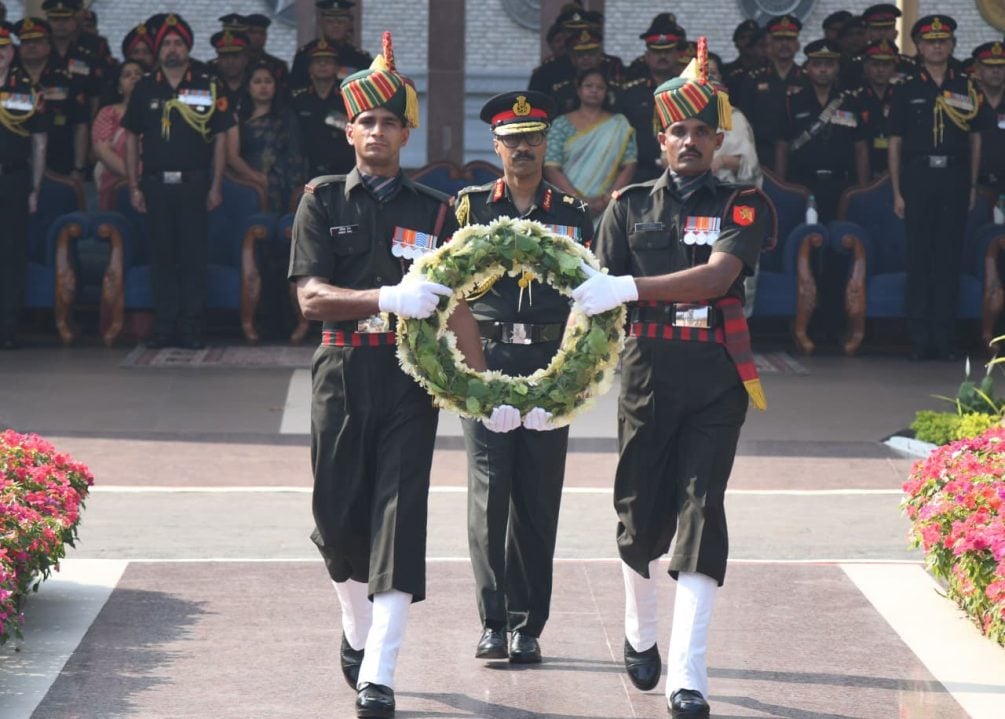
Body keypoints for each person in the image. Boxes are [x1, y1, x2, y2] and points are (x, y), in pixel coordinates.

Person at [287, 33, 488, 719]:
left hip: (410, 374)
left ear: (406, 133)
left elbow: (456, 302)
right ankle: (354, 622)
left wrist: (482, 386)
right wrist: (383, 298)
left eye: (389, 121)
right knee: (335, 521)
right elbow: (309, 297)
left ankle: (380, 670)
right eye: (365, 120)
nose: (377, 131)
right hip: (342, 368)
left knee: (399, 519)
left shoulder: (435, 209)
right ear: (350, 130)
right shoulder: (320, 199)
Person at [570, 39, 769, 719]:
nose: (688, 141)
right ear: (660, 140)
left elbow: (717, 278)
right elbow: (594, 303)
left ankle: (689, 674)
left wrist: (628, 284)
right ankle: (640, 628)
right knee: (636, 515)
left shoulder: (744, 204)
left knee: (700, 510)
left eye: (700, 131)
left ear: (718, 140)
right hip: (647, 376)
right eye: (676, 130)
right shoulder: (625, 208)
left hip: (716, 375)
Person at [453, 90, 593, 665]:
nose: (524, 149)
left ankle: (527, 625)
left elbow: (590, 301)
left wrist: (567, 376)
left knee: (537, 496)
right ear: (497, 146)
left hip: (548, 363)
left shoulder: (573, 213)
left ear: (544, 144)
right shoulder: (468, 208)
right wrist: (478, 380)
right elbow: (451, 293)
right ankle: (491, 620)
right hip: (485, 359)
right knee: (490, 492)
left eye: (533, 138)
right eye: (513, 140)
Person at [122, 13, 233, 350]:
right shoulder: (145, 87)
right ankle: (164, 327)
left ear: (188, 47)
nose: (172, 48)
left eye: (178, 43)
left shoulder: (208, 82)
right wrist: (134, 186)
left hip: (194, 185)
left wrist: (215, 185)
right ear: (158, 50)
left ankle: (192, 327)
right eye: (166, 43)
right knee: (162, 257)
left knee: (192, 257)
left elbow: (221, 137)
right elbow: (130, 139)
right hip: (155, 184)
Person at [889, 15, 982, 361]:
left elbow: (975, 140)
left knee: (947, 259)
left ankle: (943, 339)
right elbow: (895, 142)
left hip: (955, 179)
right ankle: (918, 337)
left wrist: (971, 185)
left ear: (953, 45)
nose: (937, 46)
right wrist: (898, 191)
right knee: (919, 257)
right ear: (919, 47)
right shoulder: (906, 87)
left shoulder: (966, 86)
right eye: (930, 41)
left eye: (943, 41)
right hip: (917, 179)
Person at [0, 20, 46, 349]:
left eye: (3, 49)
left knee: (11, 253)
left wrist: (34, 189)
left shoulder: (26, 90)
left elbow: (39, 143)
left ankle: (7, 326)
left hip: (14, 178)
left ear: (11, 52)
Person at [545, 68, 637, 220]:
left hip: (607, 207)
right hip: (567, 205)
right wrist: (577, 200)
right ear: (579, 90)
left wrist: (609, 198)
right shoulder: (561, 124)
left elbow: (630, 164)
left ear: (607, 92)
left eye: (600, 87)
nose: (594, 90)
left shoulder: (619, 124)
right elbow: (551, 166)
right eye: (588, 86)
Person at [14, 16, 88, 178]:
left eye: (38, 41)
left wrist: (79, 167)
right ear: (19, 47)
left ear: (49, 45)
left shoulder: (66, 78)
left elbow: (80, 125)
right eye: (26, 42)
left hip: (60, 161)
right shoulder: (9, 80)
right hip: (16, 163)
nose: (31, 46)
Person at [617, 13, 686, 183]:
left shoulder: (689, 91)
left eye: (668, 51)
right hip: (639, 174)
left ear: (677, 55)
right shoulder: (630, 93)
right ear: (647, 57)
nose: (662, 56)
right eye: (657, 52)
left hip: (683, 172)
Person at [735, 14, 808, 169]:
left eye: (789, 40)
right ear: (769, 45)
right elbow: (744, 120)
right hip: (762, 154)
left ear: (797, 45)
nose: (784, 44)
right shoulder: (754, 79)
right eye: (778, 40)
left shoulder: (807, 79)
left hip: (799, 154)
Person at [231, 62, 306, 212]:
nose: (263, 87)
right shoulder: (238, 119)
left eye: (268, 81)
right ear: (248, 87)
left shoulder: (287, 117)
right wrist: (255, 177)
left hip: (284, 186)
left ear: (275, 86)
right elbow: (232, 157)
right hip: (247, 184)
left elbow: (296, 154)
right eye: (257, 82)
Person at [291, 39, 355, 177]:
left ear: (337, 68)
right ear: (309, 68)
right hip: (306, 172)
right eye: (317, 61)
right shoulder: (298, 100)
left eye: (328, 61)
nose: (323, 64)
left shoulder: (347, 99)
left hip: (342, 171)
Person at [91, 59, 143, 210]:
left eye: (138, 74)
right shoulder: (109, 113)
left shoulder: (160, 111)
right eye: (127, 75)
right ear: (119, 87)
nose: (134, 77)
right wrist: (135, 180)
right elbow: (103, 151)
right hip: (119, 181)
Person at [290, 1, 371, 89]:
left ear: (350, 24)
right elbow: (295, 89)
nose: (335, 26)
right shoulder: (305, 55)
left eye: (341, 22)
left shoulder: (360, 58)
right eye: (330, 21)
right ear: (321, 23)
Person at [852, 39, 898, 183]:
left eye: (886, 65)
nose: (880, 70)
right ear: (866, 67)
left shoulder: (901, 96)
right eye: (875, 64)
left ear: (893, 68)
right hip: (863, 168)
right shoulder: (854, 99)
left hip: (896, 170)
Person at [41, 0, 99, 114]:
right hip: (43, 120)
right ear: (47, 22)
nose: (60, 24)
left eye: (66, 19)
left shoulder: (85, 57)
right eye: (55, 20)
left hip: (77, 120)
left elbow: (94, 95)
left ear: (74, 22)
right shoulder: (39, 55)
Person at [973, 41, 1005, 198]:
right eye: (990, 66)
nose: (996, 71)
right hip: (976, 185)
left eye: (1000, 66)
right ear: (978, 70)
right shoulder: (967, 103)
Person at [242, 13, 289, 91]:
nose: (258, 37)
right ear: (244, 35)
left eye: (262, 33)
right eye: (252, 32)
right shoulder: (238, 64)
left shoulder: (278, 65)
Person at [210, 29, 251, 112]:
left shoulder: (255, 83)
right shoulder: (208, 84)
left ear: (245, 59)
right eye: (224, 57)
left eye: (235, 56)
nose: (230, 62)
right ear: (218, 60)